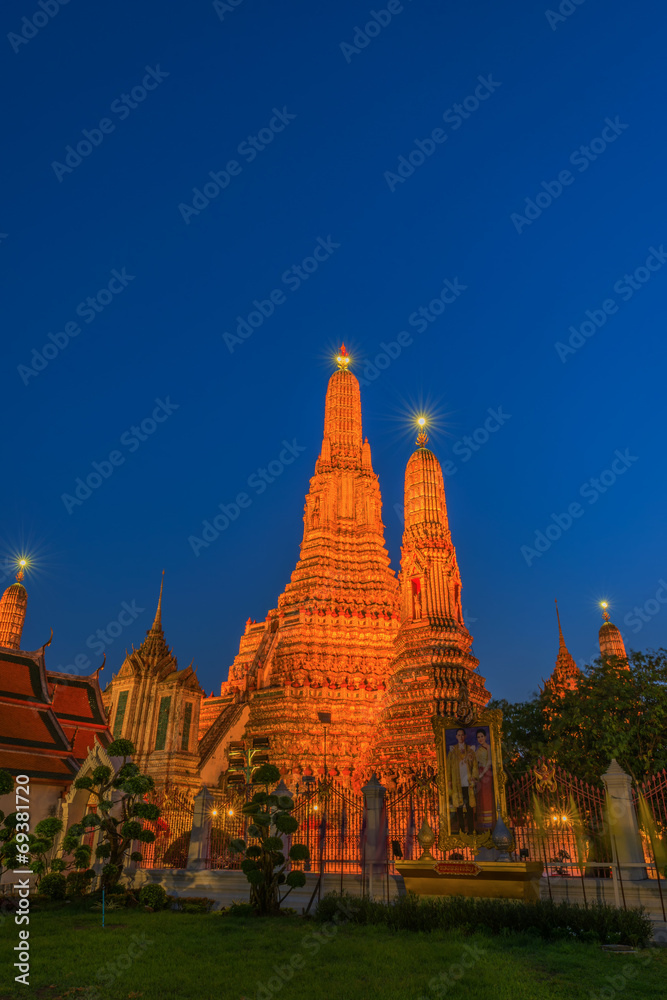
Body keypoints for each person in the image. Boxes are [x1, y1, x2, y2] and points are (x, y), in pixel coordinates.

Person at [447, 728, 478, 834]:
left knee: (469, 806)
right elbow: (449, 767)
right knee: (459, 807)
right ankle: (461, 829)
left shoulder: (470, 750)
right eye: (458, 735)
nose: (460, 737)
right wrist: (450, 780)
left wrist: (474, 777)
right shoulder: (452, 751)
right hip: (457, 782)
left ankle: (470, 829)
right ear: (456, 737)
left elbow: (474, 765)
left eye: (462, 735)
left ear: (464, 736)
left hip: (468, 782)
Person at [474, 729, 494, 830]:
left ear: (485, 737)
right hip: (479, 773)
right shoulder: (478, 749)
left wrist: (482, 773)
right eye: (478, 737)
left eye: (482, 736)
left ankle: (489, 822)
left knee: (487, 796)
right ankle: (481, 822)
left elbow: (489, 762)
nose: (480, 739)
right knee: (480, 796)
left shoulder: (489, 748)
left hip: (486, 774)